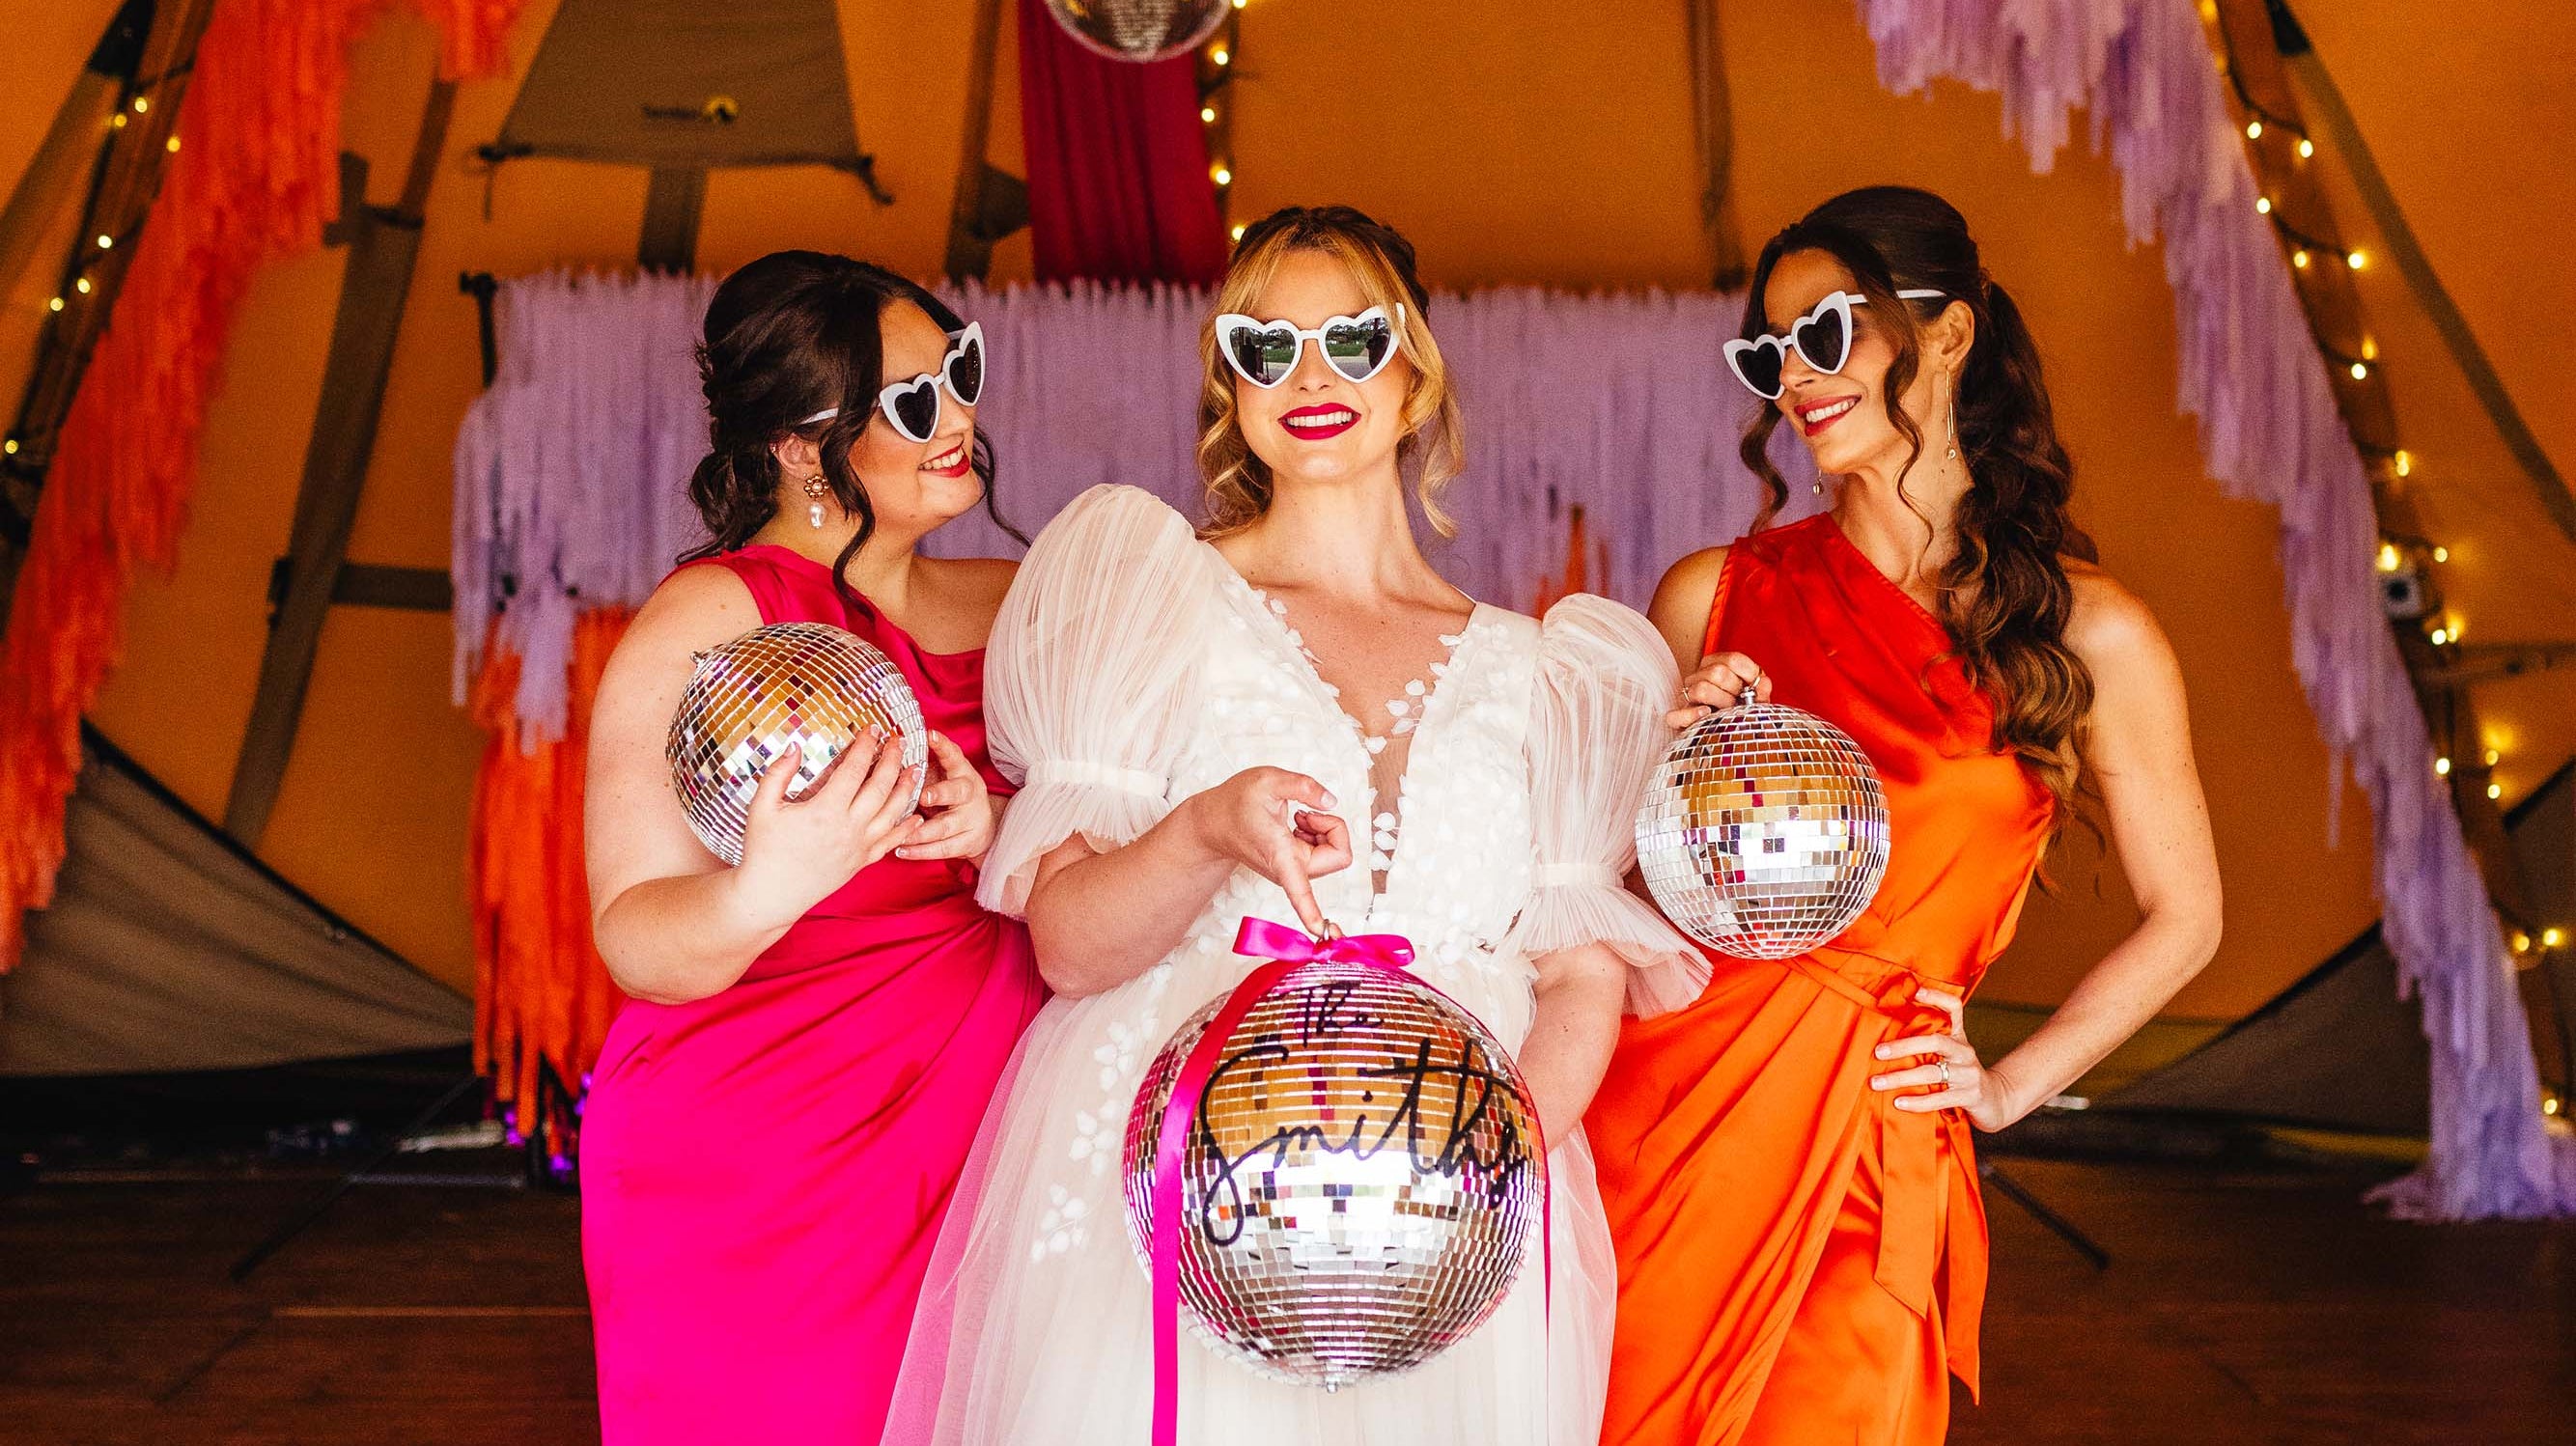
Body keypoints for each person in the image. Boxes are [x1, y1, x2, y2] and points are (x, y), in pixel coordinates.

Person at [884, 206, 1695, 1445]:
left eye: (1351, 339)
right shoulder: (1149, 598)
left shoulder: (1547, 670)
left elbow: (1578, 975)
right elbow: (1070, 949)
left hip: (1448, 1212)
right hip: (1175, 1189)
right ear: (1232, 388)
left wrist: (1467, 1171)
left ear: (1417, 371)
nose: (1309, 376)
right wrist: (1207, 828)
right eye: (1265, 347)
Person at [1588, 186, 2224, 1445]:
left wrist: (2013, 1082)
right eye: (1768, 353)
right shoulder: (1712, 595)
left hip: (1875, 1138)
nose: (1793, 379)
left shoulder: (2092, 631)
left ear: (1948, 334)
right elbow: (1590, 884)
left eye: (1825, 335)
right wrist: (1659, 753)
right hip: (1664, 1122)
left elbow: (2189, 915)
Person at [577, 251, 1046, 1444]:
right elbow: (636, 931)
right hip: (760, 1158)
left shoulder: (1030, 603)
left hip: (990, 1152)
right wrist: (760, 891)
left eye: (962, 372)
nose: (958, 421)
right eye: (910, 403)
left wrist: (1014, 829)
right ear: (795, 443)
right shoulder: (716, 618)